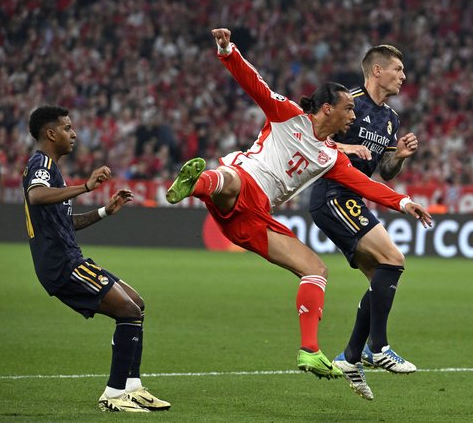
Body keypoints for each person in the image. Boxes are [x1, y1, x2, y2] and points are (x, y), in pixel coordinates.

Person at [166, 28, 432, 381]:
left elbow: (367, 185)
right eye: (348, 110)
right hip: (244, 186)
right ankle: (197, 183)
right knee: (231, 178)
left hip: (255, 219)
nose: (353, 117)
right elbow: (254, 83)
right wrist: (227, 50)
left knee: (316, 270)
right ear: (327, 109)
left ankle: (310, 351)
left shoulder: (328, 157)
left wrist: (404, 202)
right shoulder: (288, 115)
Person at [24, 106, 170, 412]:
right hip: (61, 264)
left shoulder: (54, 169)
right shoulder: (42, 163)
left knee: (136, 304)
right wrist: (87, 187)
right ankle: (113, 395)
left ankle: (132, 387)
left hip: (71, 258)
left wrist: (105, 210)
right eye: (67, 128)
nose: (73, 133)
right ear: (51, 133)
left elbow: (67, 223)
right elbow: (36, 195)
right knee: (128, 311)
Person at [308, 44, 419, 400]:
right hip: (332, 193)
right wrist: (347, 149)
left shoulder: (390, 119)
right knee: (394, 259)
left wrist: (398, 156)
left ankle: (351, 356)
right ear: (376, 71)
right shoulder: (348, 101)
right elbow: (311, 139)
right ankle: (378, 347)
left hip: (352, 198)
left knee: (380, 279)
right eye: (398, 69)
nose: (403, 76)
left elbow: (384, 173)